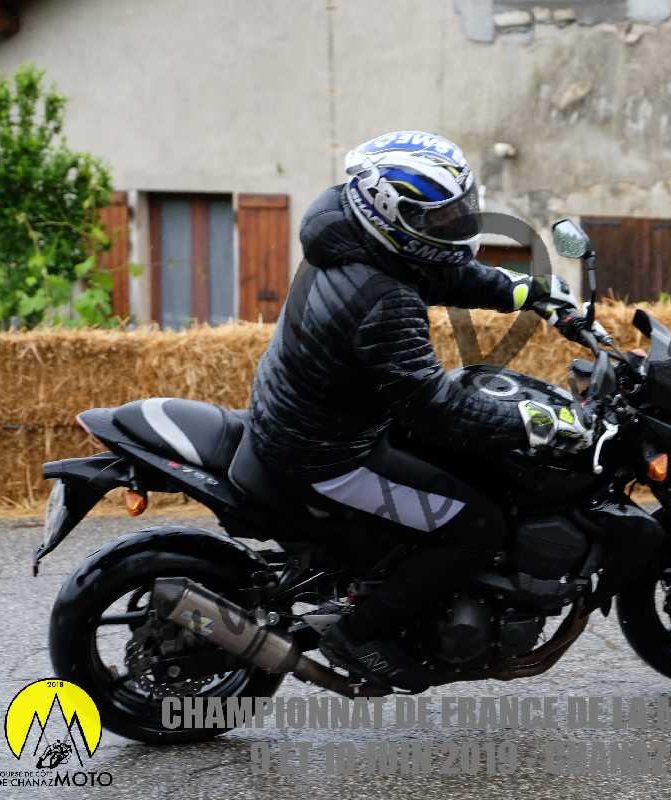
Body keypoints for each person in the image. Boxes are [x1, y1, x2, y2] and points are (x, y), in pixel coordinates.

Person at [232, 130, 605, 691]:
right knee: (476, 524)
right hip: (327, 453)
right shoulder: (383, 298)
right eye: (439, 218)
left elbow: (444, 274)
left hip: (319, 417)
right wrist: (536, 424)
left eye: (459, 210)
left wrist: (529, 292)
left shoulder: (354, 239)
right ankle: (359, 634)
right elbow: (437, 409)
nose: (455, 225)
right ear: (390, 212)